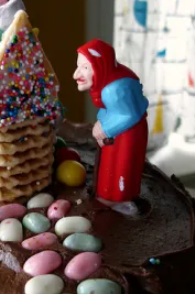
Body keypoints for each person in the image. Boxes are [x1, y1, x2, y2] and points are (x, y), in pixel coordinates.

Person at [73, 39, 149, 216]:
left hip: (128, 132)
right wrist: (102, 121)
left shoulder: (112, 90)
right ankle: (107, 195)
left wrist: (105, 129)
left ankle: (120, 200)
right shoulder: (107, 83)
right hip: (121, 129)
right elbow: (112, 108)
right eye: (79, 66)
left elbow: (129, 115)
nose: (76, 74)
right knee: (110, 163)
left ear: (100, 64)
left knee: (121, 165)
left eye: (85, 67)